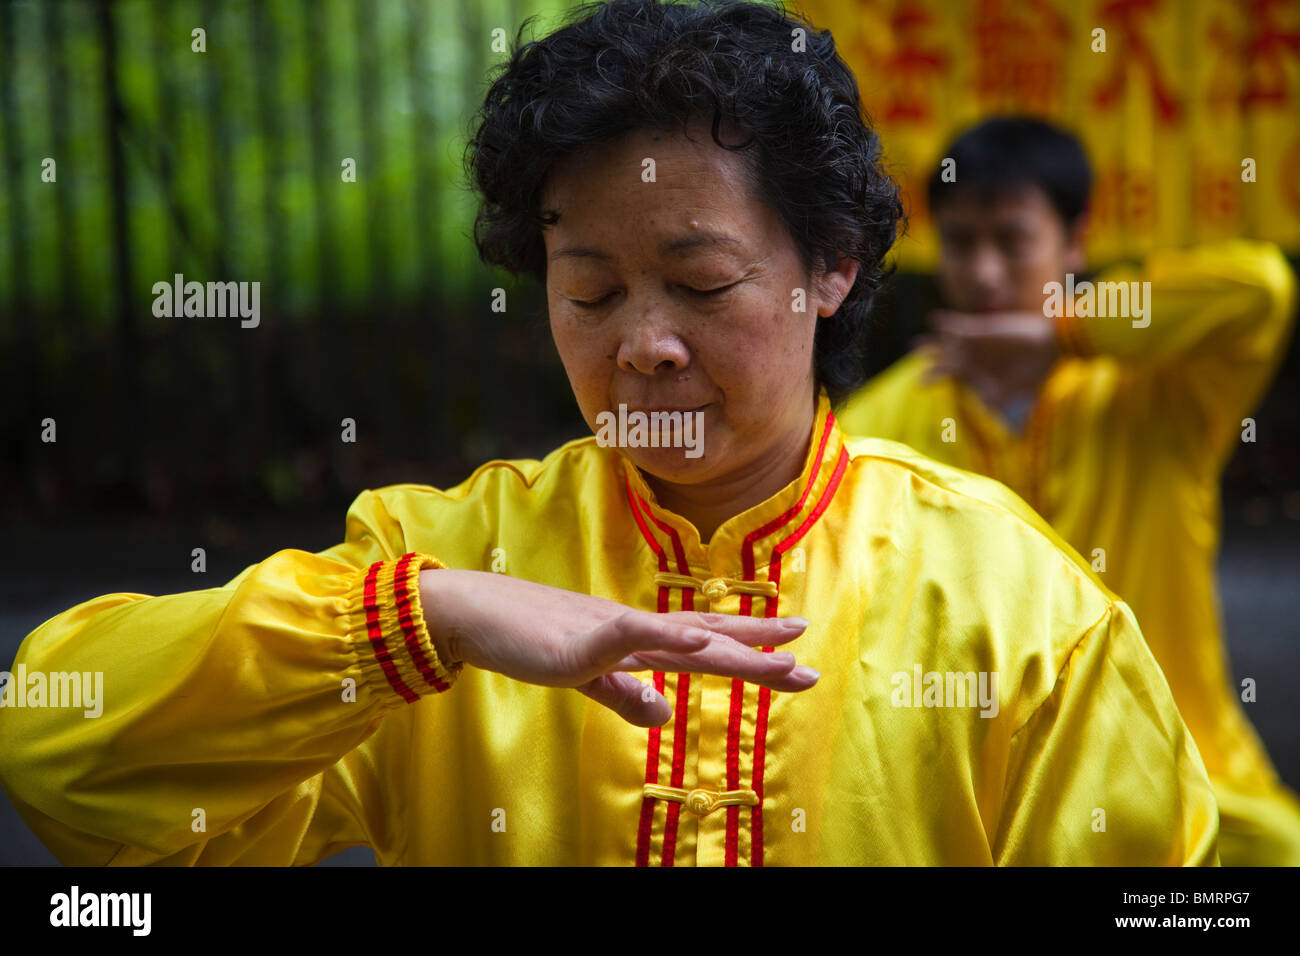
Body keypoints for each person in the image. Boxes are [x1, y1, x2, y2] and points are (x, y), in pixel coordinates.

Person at [0, 0, 1217, 866]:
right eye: (586, 291)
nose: (641, 344)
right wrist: (423, 621)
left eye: (700, 283)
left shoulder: (1017, 600)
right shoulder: (442, 556)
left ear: (832, 267)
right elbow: (58, 749)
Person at [837, 115, 1300, 866]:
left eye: (1012, 240)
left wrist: (1066, 335)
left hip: (1192, 774)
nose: (985, 273)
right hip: (976, 792)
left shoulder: (1155, 393)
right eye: (960, 243)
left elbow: (1262, 289)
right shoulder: (881, 423)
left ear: (1075, 241)